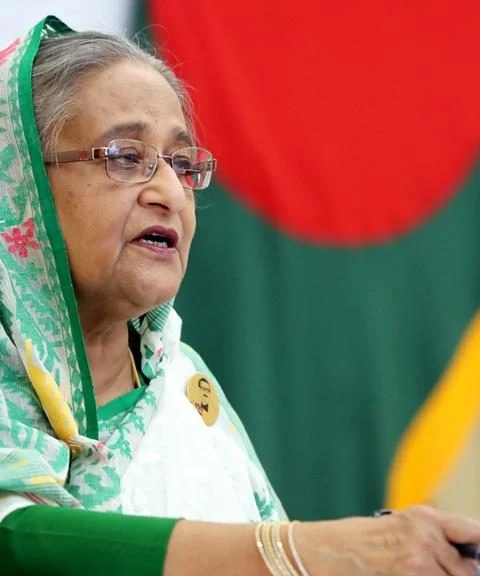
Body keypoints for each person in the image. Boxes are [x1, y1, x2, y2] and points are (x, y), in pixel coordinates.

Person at [0, 15, 479, 576]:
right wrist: (304, 551)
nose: (169, 192)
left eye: (183, 164)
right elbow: (15, 540)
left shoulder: (183, 386)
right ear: (19, 180)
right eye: (126, 157)